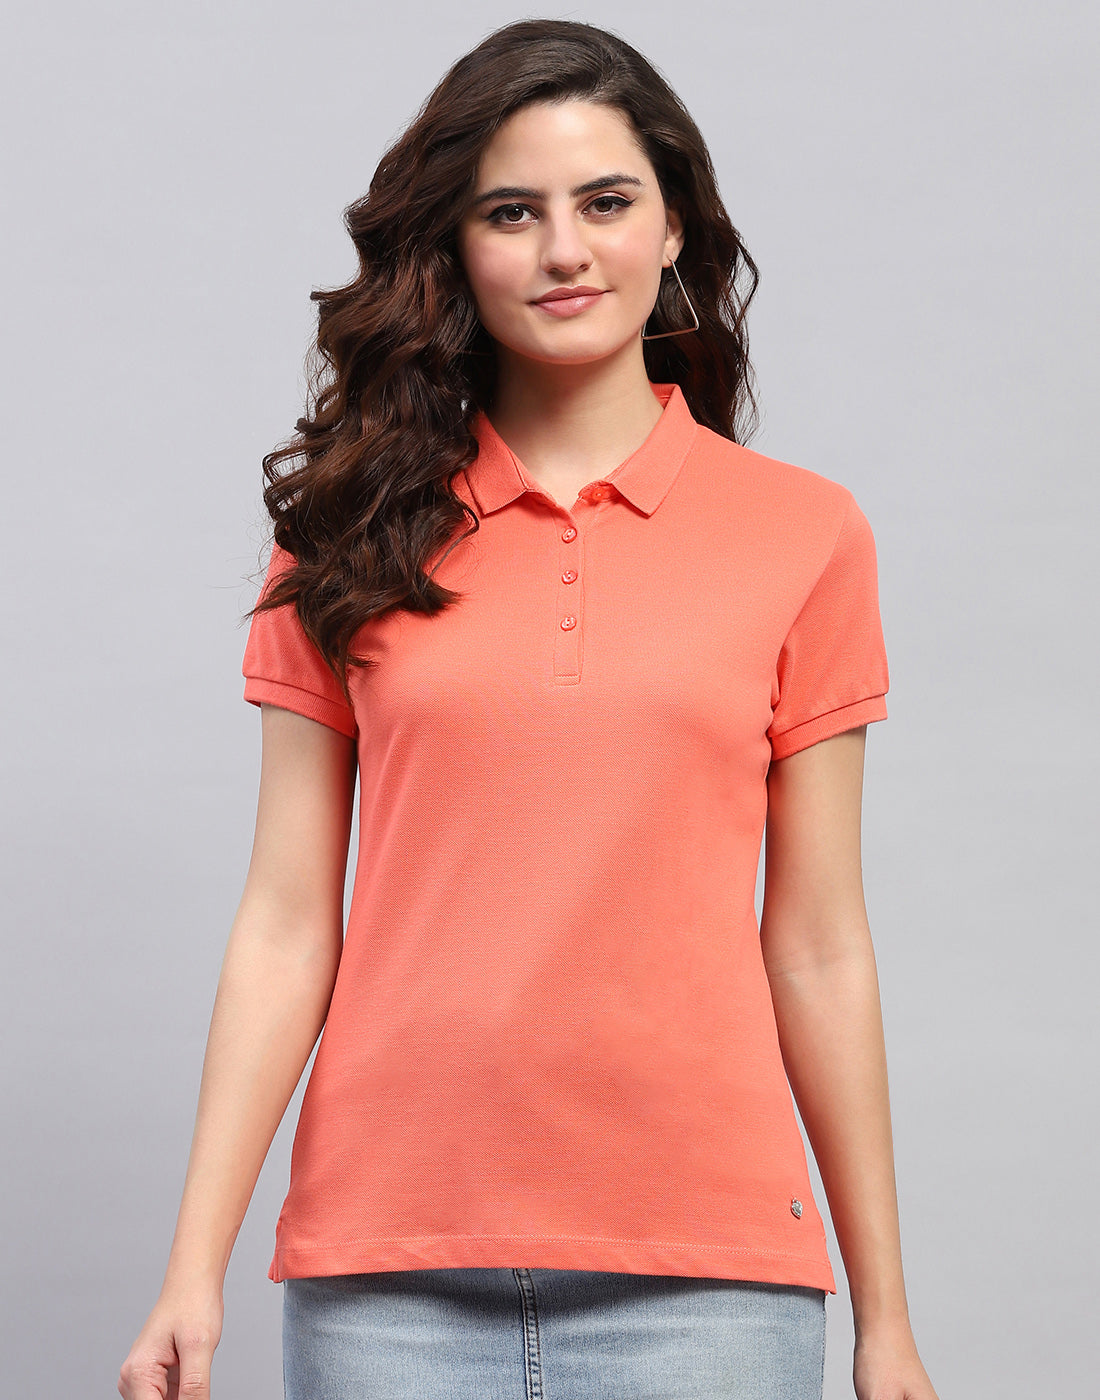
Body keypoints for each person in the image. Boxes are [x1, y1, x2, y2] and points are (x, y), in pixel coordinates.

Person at [118, 17, 940, 1400]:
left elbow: (817, 946)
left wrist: (886, 1317)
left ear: (673, 227)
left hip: (711, 1278)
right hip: (388, 1271)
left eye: (607, 202)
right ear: (455, 246)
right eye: (513, 212)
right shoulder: (344, 534)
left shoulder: (804, 534)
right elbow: (285, 919)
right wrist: (190, 1270)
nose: (566, 250)